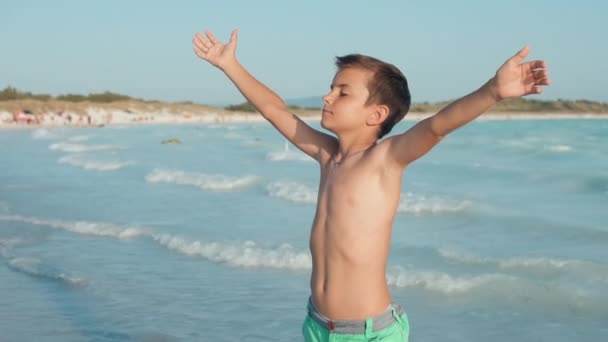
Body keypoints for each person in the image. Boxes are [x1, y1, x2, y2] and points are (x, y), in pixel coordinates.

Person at [193, 29, 550, 342]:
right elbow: (275, 110)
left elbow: (437, 126)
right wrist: (230, 66)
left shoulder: (385, 160)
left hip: (370, 333)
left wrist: (492, 91)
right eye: (331, 89)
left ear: (376, 114)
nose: (327, 97)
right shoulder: (326, 155)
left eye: (342, 92)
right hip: (317, 326)